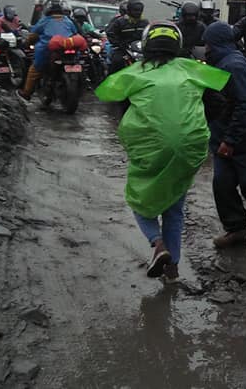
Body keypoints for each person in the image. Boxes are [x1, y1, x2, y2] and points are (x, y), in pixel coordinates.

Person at [95, 24, 230, 284]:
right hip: (190, 146)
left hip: (152, 146)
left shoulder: (134, 74)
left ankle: (158, 244)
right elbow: (219, 104)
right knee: (174, 207)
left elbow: (122, 111)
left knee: (139, 198)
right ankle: (172, 269)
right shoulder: (192, 71)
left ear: (147, 45)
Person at [202, 22, 246, 248]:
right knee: (222, 185)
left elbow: (245, 106)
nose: (205, 48)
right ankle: (236, 229)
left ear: (216, 43)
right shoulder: (217, 65)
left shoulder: (234, 66)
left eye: (208, 44)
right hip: (222, 136)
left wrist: (230, 140)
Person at [17, 0, 79, 100]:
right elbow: (75, 33)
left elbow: (33, 34)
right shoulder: (68, 21)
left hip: (48, 50)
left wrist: (26, 43)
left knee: (34, 70)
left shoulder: (44, 21)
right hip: (67, 49)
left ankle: (26, 93)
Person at [106, 0, 149, 74]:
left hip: (140, 49)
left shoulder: (145, 22)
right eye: (135, 10)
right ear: (129, 10)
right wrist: (119, 43)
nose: (137, 12)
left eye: (139, 10)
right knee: (117, 61)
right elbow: (110, 33)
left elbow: (150, 34)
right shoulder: (120, 22)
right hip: (123, 49)